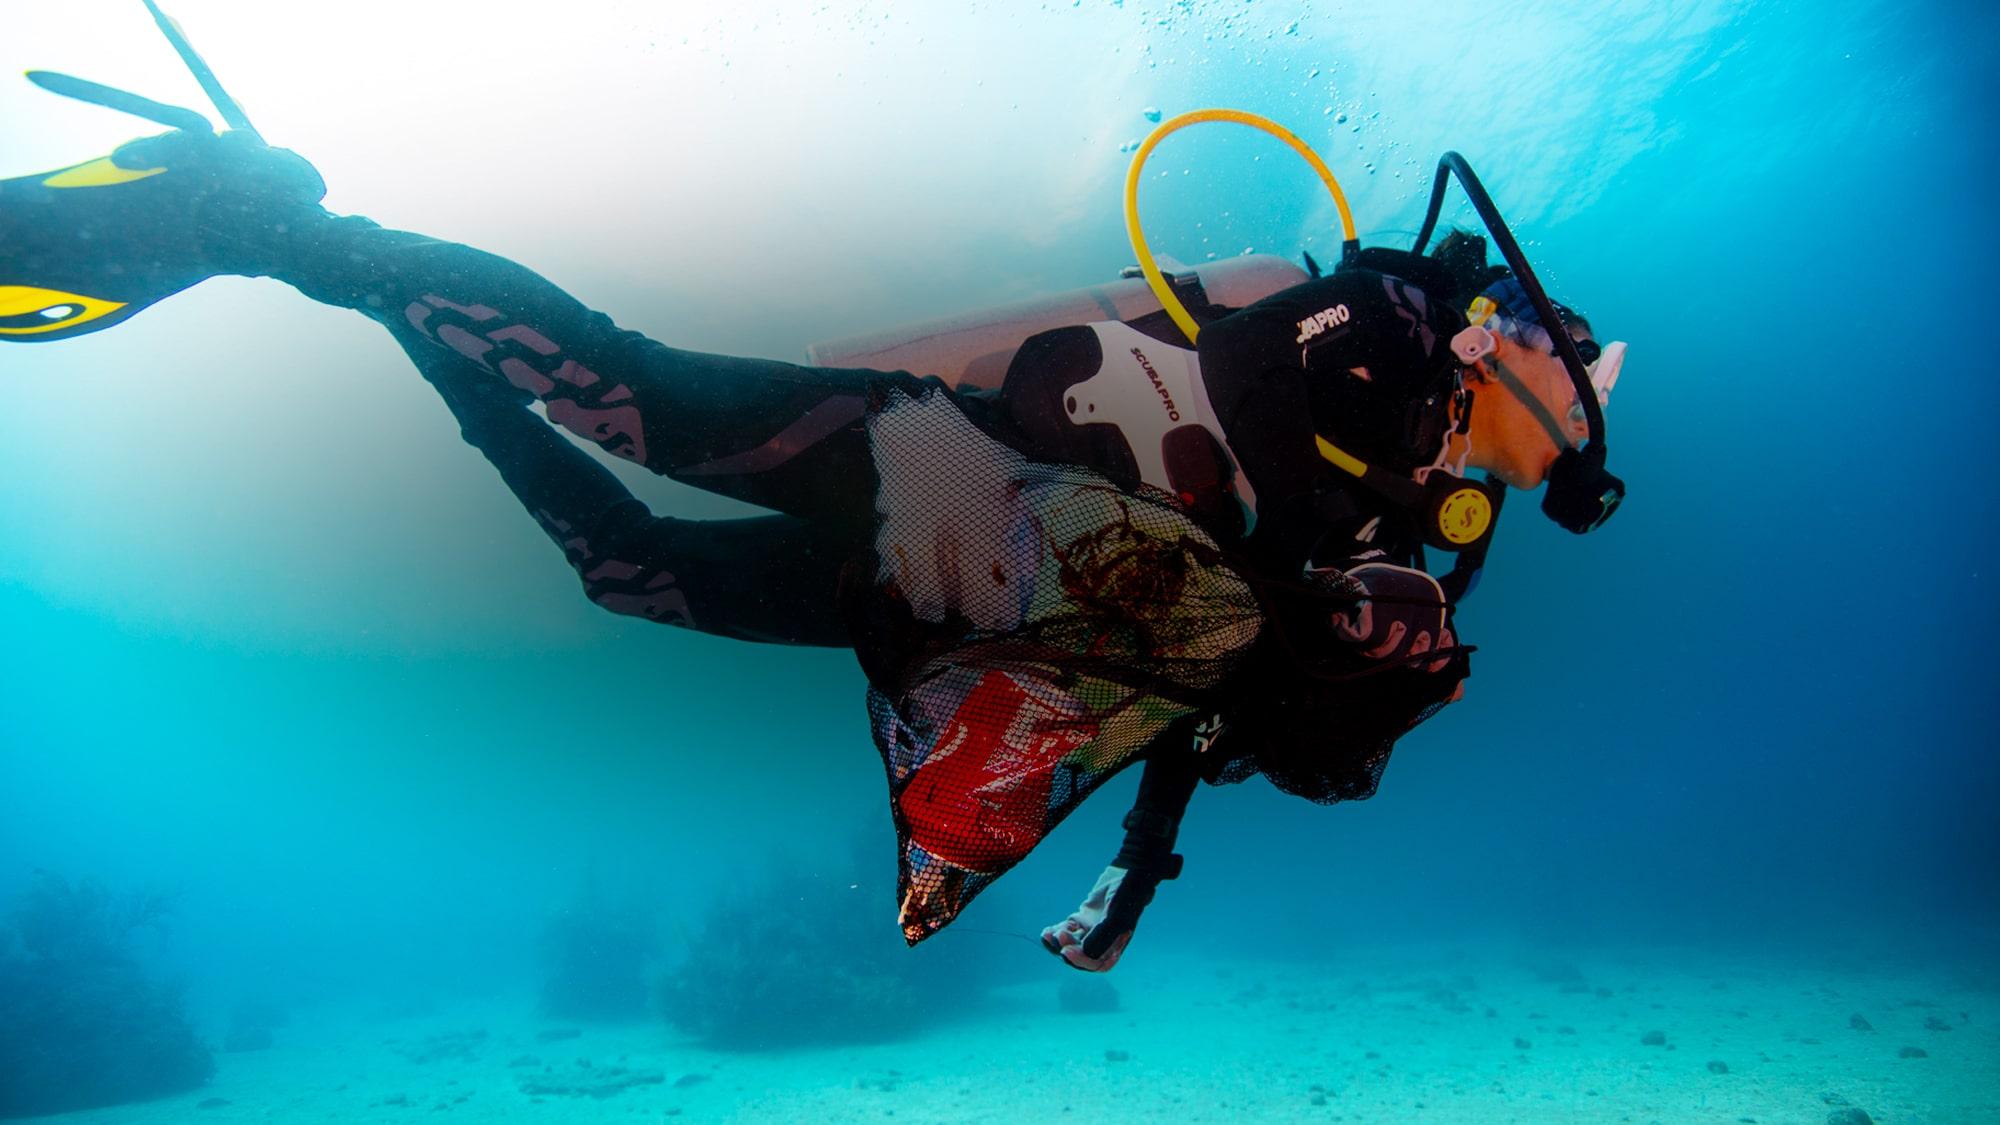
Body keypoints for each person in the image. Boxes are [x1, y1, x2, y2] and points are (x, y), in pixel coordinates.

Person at [0, 123, 1625, 972]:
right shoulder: (1407, 321)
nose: (1595, 392)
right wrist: (1304, 596)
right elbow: (1259, 378)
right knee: (627, 397)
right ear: (1523, 336)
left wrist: (1133, 881)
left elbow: (1198, 681)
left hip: (967, 582)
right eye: (1585, 357)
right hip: (944, 461)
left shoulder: (1400, 525)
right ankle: (256, 221)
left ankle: (334, 276)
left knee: (621, 568)